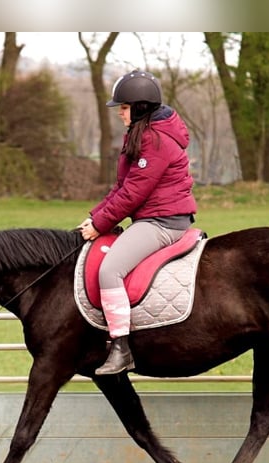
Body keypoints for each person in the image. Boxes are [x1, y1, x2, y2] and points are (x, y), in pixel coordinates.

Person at [78, 69, 197, 376]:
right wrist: (94, 218)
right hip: (151, 217)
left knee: (110, 270)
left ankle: (121, 349)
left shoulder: (155, 141)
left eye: (124, 107)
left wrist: (101, 224)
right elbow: (121, 187)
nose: (119, 112)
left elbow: (133, 193)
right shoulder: (141, 134)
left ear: (141, 108)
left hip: (163, 223)